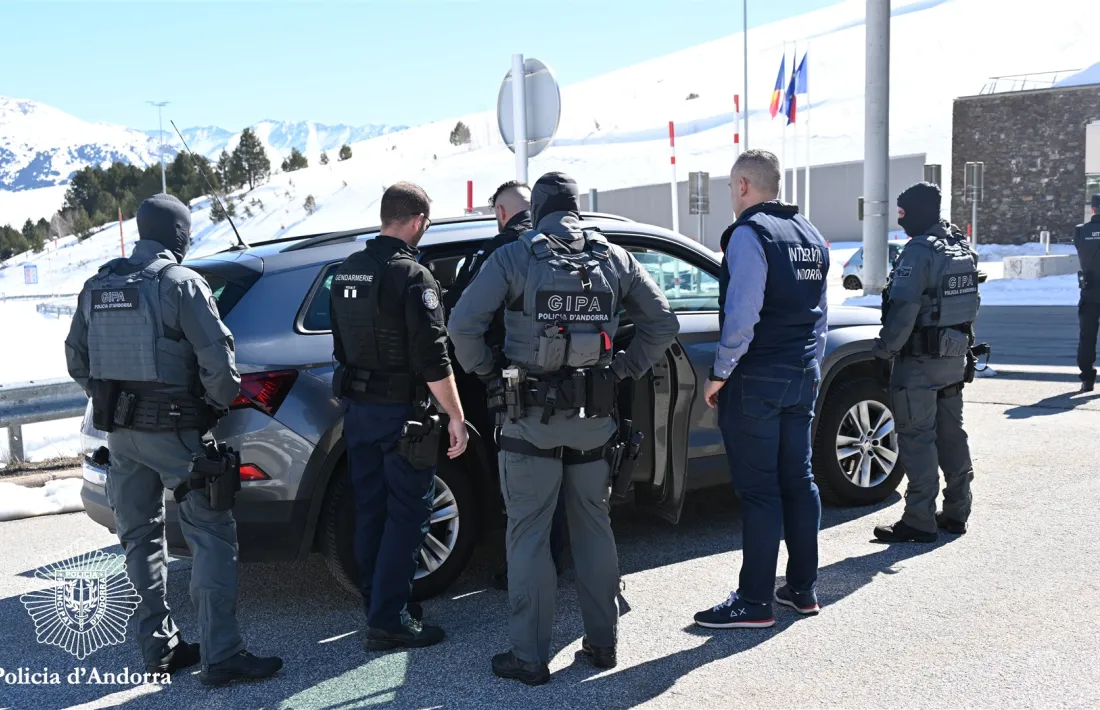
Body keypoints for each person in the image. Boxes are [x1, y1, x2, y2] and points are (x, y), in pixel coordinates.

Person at [448, 171, 679, 685]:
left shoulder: (514, 256)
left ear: (538, 210)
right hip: (594, 421)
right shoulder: (612, 257)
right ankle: (603, 644)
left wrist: (488, 373)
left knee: (529, 535)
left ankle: (529, 658)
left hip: (529, 422)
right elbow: (663, 323)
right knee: (594, 527)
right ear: (576, 207)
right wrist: (622, 370)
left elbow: (461, 326)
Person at [63, 193, 282, 686]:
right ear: (179, 234)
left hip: (121, 435)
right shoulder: (181, 283)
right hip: (177, 432)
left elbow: (77, 360)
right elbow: (219, 362)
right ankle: (222, 656)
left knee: (139, 539)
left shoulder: (98, 285)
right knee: (212, 536)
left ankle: (160, 650)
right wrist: (212, 406)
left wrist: (117, 400)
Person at [329, 181, 469, 651]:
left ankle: (379, 604)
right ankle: (389, 620)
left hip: (358, 411)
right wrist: (455, 414)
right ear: (417, 221)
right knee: (409, 514)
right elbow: (433, 358)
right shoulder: (414, 277)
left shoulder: (345, 271)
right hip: (401, 416)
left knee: (370, 508)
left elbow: (341, 347)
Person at [693, 150, 830, 629]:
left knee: (760, 492)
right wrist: (810, 365)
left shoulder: (750, 234)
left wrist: (720, 372)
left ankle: (754, 601)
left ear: (744, 186)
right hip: (801, 373)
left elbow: (743, 313)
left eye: (732, 188)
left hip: (758, 379)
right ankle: (802, 589)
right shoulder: (809, 234)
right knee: (800, 481)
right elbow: (820, 315)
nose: (732, 196)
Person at [442, 180, 568, 591]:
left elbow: (459, 319)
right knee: (561, 475)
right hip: (571, 384)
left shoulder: (501, 252)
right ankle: (557, 558)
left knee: (522, 479)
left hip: (511, 383)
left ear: (500, 212)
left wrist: (485, 372)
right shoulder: (572, 247)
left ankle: (527, 570)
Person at [871, 182, 979, 542]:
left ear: (916, 211)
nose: (900, 220)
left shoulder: (919, 251)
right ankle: (957, 511)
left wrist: (884, 352)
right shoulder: (959, 245)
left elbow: (904, 310)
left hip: (918, 362)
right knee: (952, 435)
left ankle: (919, 519)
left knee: (918, 439)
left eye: (903, 213)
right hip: (953, 356)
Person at [1074, 193, 1100, 392]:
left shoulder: (1081, 231)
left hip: (1090, 291)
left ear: (1092, 209)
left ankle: (1087, 379)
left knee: (1087, 337)